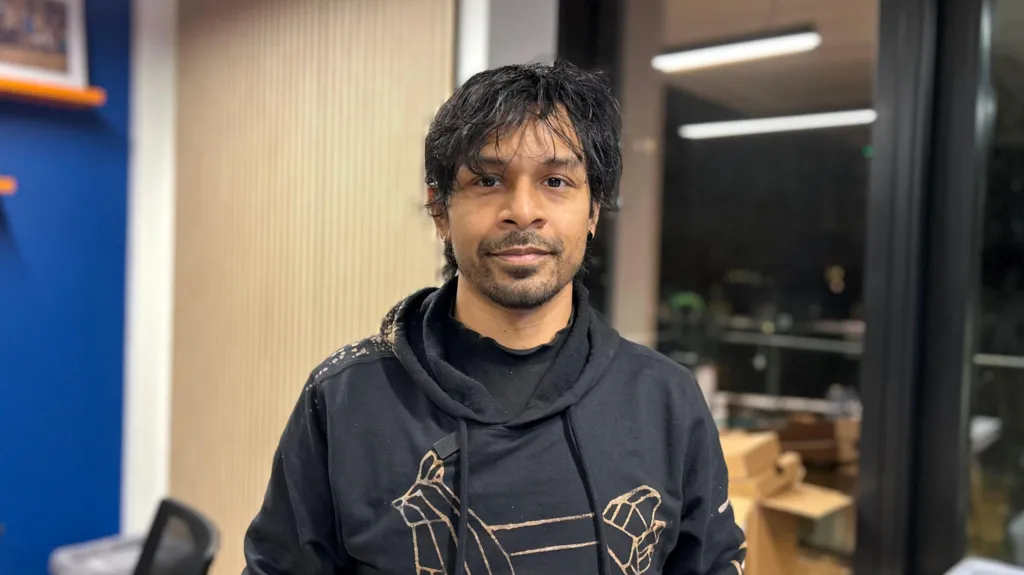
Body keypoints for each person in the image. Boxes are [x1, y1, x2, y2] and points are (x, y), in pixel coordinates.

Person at [242, 61, 746, 575]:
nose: (523, 210)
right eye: (487, 180)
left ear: (593, 209)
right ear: (439, 209)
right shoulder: (346, 398)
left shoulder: (664, 401)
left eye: (555, 180)